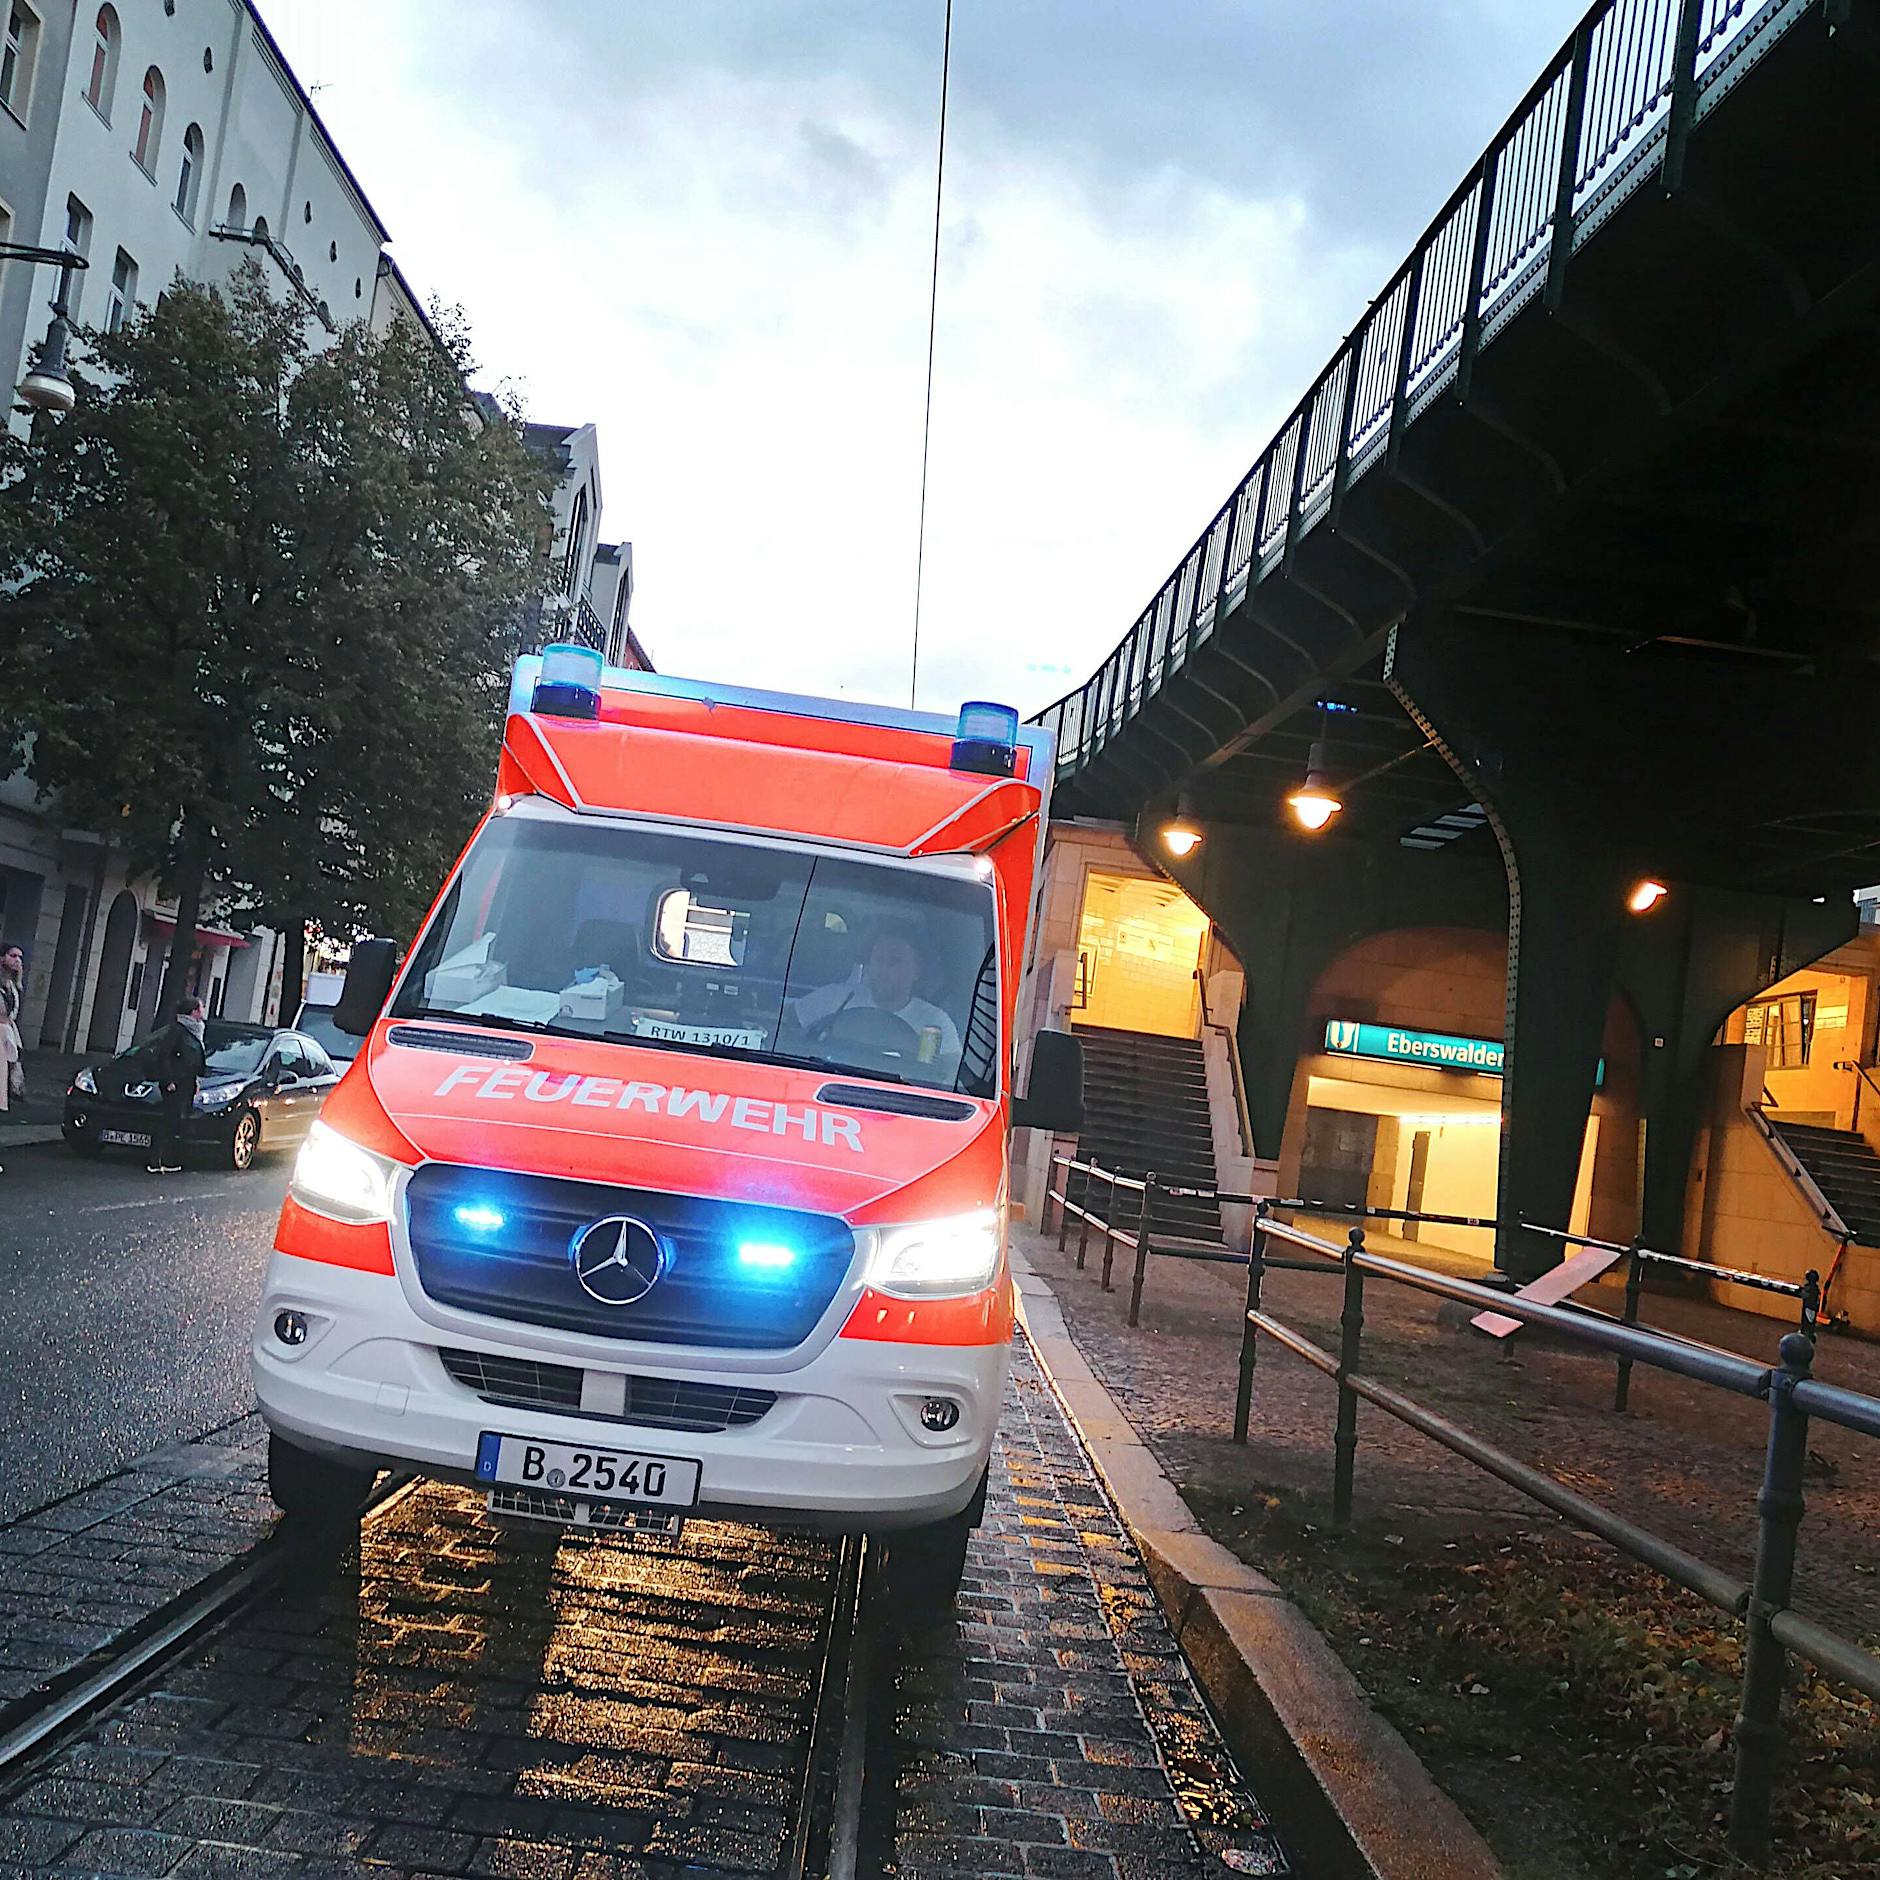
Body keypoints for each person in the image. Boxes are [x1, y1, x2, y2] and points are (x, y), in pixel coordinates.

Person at [790, 921, 963, 1068]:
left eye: (894, 962)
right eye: (879, 960)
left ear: (916, 970)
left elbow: (949, 1075)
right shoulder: (834, 999)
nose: (883, 970)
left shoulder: (935, 1022)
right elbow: (785, 1030)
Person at [149, 995, 207, 1174]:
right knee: (168, 1121)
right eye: (201, 1008)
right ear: (194, 1011)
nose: (203, 1011)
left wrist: (196, 1079)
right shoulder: (178, 1030)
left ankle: (169, 1159)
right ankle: (155, 1160)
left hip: (187, 1081)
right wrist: (169, 1080)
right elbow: (165, 1056)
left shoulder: (195, 1030)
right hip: (175, 1082)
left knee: (177, 1123)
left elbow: (194, 1058)